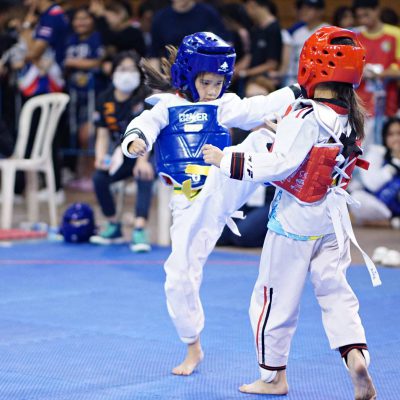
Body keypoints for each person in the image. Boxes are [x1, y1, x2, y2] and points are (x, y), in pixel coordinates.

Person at [203, 26, 379, 399]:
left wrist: (225, 159)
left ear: (311, 65)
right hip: (333, 219)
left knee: (273, 298)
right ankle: (356, 356)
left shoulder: (305, 114)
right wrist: (281, 129)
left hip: (295, 220)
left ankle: (273, 377)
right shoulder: (351, 116)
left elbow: (279, 165)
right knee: (335, 293)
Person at [121, 32, 301, 375]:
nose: (212, 90)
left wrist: (298, 89)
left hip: (224, 183)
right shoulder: (166, 107)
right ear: (187, 76)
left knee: (263, 137)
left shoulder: (224, 105)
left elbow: (258, 106)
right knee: (178, 275)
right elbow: (144, 124)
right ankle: (193, 346)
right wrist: (135, 141)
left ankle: (296, 163)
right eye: (206, 82)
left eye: (219, 82)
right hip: (189, 203)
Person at [90, 51, 154, 252]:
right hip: (122, 155)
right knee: (99, 178)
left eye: (132, 70)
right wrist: (100, 157)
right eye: (122, 69)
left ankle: (139, 229)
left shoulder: (146, 99)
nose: (127, 74)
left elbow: (150, 133)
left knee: (143, 173)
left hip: (148, 152)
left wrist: (142, 161)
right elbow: (102, 134)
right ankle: (113, 225)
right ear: (113, 73)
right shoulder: (104, 99)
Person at [351, 117, 400, 228]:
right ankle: (391, 221)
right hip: (382, 206)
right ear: (384, 137)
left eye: (399, 133)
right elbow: (372, 184)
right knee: (356, 198)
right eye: (391, 134)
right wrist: (393, 165)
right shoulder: (377, 154)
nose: (396, 138)